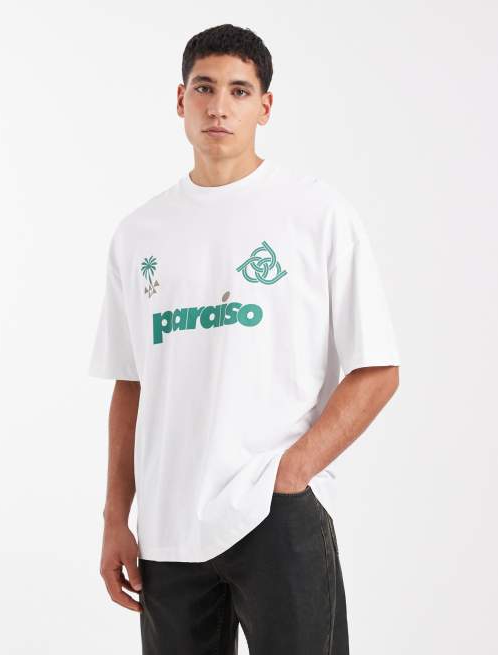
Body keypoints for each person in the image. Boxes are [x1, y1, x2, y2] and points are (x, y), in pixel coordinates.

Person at [88, 23, 401, 655]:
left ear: (265, 106)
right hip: (170, 528)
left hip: (273, 513)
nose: (219, 107)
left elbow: (377, 370)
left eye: (239, 90)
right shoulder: (139, 233)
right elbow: (131, 385)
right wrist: (116, 518)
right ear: (181, 100)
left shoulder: (315, 214)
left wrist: (294, 472)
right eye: (204, 88)